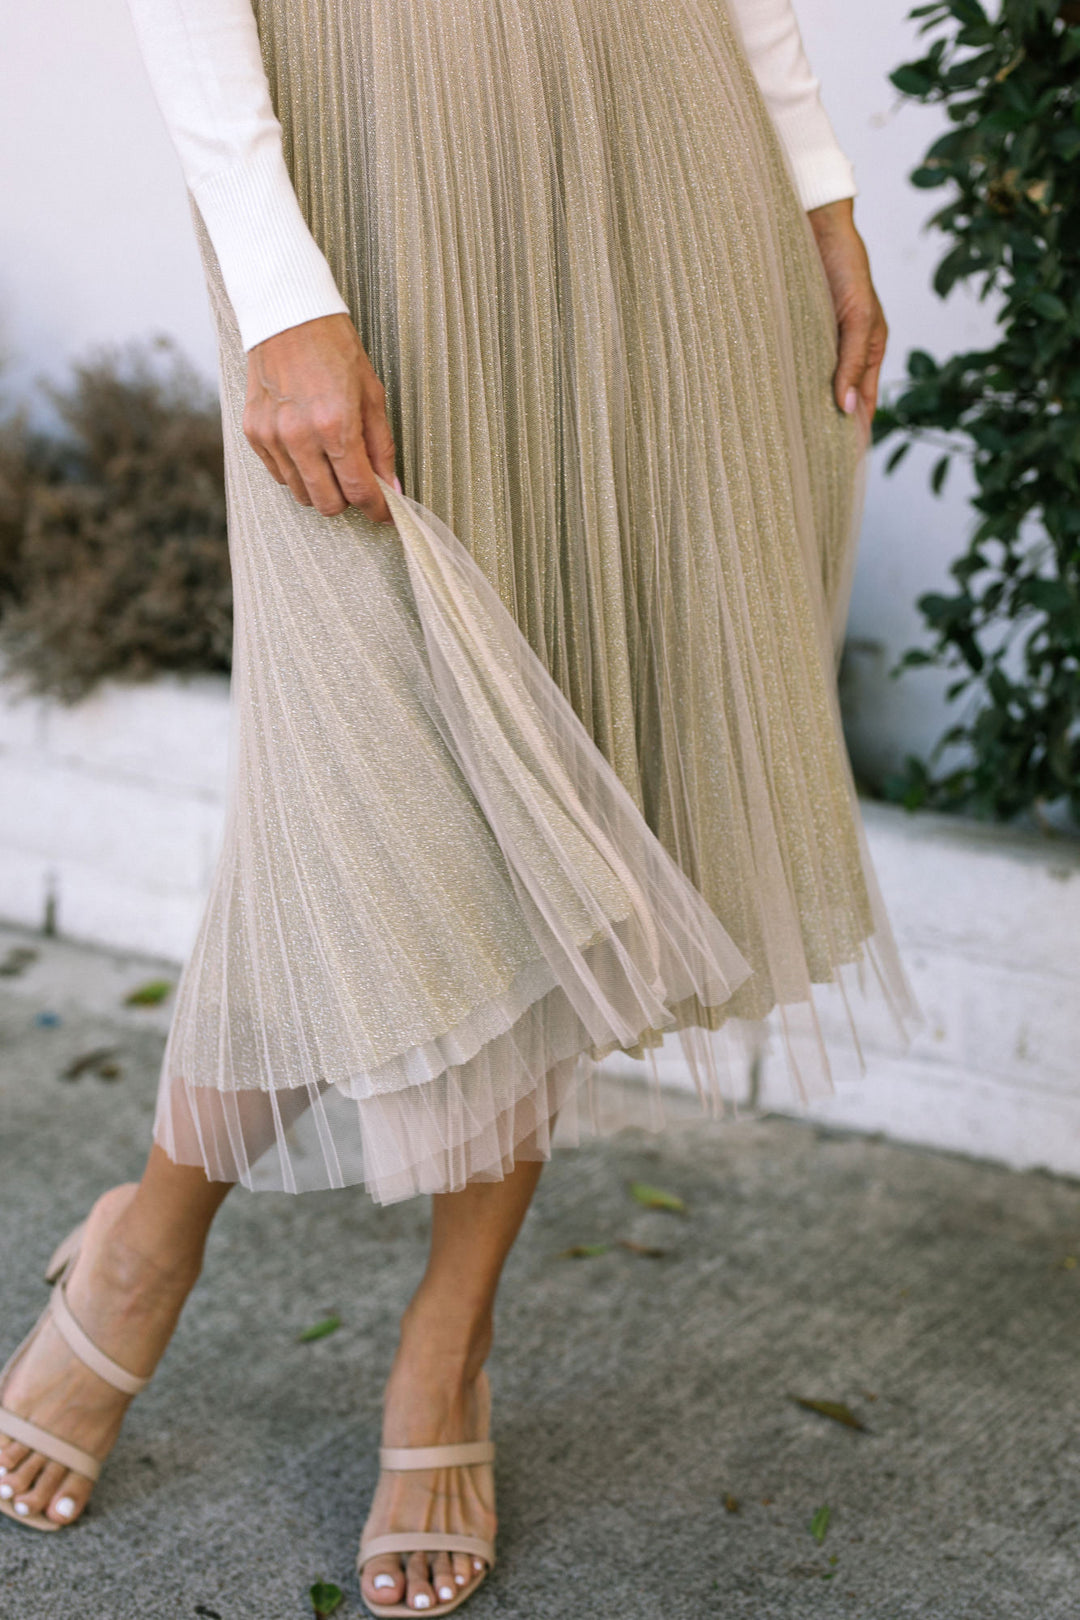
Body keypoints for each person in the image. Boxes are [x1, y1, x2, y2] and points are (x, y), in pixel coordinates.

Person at [0, 0, 920, 1612]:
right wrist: (280, 293)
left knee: (578, 745)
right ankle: (151, 1235)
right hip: (361, 142)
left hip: (660, 130)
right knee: (364, 765)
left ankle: (452, 1336)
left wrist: (821, 181)